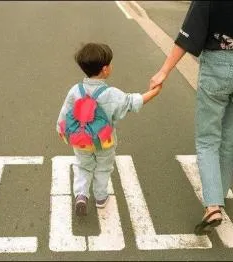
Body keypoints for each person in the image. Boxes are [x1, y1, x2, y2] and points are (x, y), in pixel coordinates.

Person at [148, 1, 233, 234]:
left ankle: (213, 206)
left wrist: (164, 71)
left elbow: (191, 28)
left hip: (219, 66)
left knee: (208, 138)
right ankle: (219, 193)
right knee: (230, 136)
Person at [57, 42, 161, 216]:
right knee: (103, 169)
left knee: (83, 167)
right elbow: (132, 102)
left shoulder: (75, 90)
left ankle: (81, 195)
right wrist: (155, 92)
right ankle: (100, 198)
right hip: (104, 142)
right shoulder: (111, 94)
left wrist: (62, 131)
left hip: (81, 141)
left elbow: (64, 114)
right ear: (105, 69)